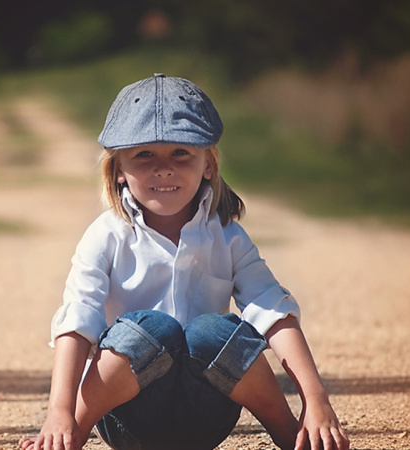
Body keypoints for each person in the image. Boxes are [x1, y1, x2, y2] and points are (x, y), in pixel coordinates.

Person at [19, 74, 349, 450]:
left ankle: (291, 434)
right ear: (119, 171)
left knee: (213, 332)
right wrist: (59, 412)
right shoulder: (105, 236)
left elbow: (273, 311)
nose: (164, 168)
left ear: (208, 163)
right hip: (128, 419)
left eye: (181, 153)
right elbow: (79, 319)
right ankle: (70, 439)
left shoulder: (228, 236)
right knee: (153, 328)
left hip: (205, 418)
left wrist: (316, 400)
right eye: (144, 155)